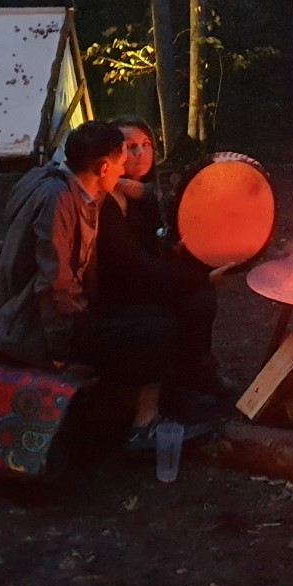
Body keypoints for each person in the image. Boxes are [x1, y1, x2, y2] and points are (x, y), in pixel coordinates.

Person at [0, 120, 204, 452]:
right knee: (156, 329)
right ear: (102, 168)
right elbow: (54, 285)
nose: (123, 173)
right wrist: (61, 352)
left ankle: (153, 406)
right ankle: (144, 425)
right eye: (119, 164)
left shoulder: (71, 186)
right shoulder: (59, 202)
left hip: (58, 317)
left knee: (152, 316)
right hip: (35, 328)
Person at [98, 116, 230, 405]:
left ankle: (198, 373)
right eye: (130, 146)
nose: (140, 153)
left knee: (201, 299)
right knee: (195, 299)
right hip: (121, 292)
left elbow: (157, 242)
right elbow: (133, 264)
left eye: (146, 144)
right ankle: (179, 387)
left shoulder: (148, 194)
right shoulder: (108, 201)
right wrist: (199, 278)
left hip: (146, 277)